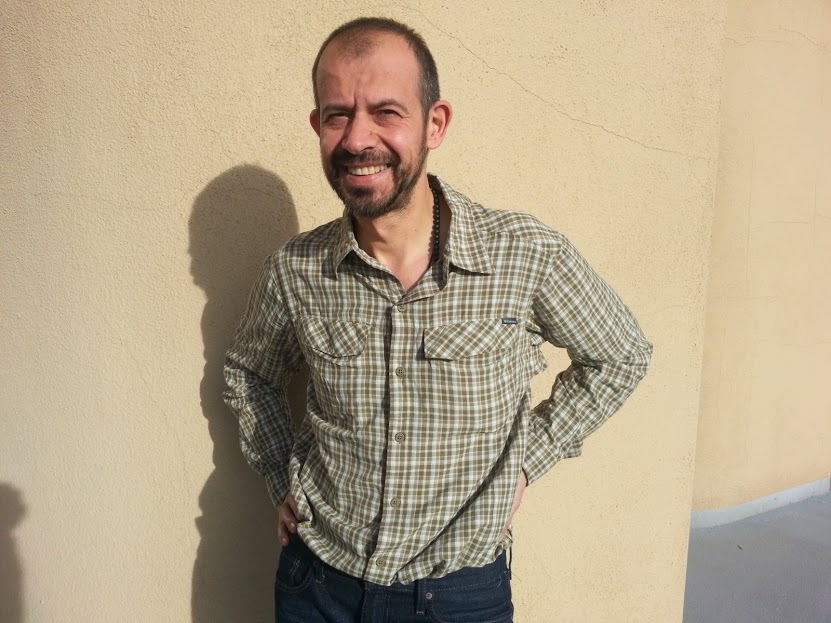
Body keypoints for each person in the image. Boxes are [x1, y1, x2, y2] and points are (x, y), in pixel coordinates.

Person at [223, 17, 652, 623]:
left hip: (458, 596)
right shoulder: (296, 270)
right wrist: (279, 475)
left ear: (435, 123)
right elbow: (248, 372)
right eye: (338, 114)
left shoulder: (525, 255)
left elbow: (620, 354)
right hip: (317, 586)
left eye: (386, 112)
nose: (358, 138)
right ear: (318, 126)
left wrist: (529, 460)